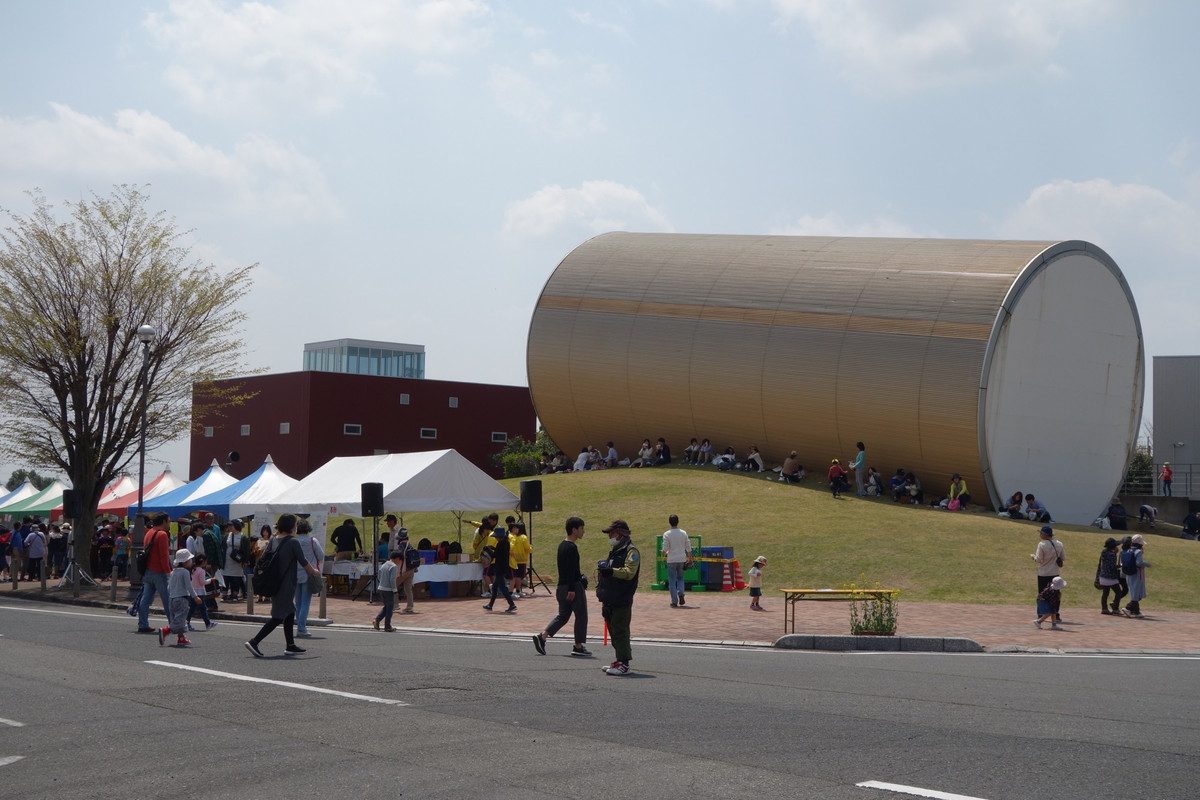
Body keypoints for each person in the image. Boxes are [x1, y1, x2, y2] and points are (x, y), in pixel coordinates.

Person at [244, 513, 322, 657]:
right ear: (292, 526)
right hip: (285, 583)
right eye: (295, 524)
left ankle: (290, 645)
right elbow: (303, 561)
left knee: (290, 612)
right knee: (278, 616)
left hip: (273, 581)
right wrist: (315, 572)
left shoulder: (274, 540)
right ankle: (254, 641)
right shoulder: (293, 542)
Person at [533, 516, 591, 657]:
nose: (583, 531)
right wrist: (573, 588)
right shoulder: (572, 548)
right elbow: (572, 570)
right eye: (581, 529)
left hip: (561, 586)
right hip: (572, 586)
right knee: (581, 615)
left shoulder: (561, 545)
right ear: (574, 530)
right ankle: (578, 646)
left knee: (563, 615)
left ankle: (543, 636)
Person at [597, 520, 640, 675]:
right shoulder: (616, 550)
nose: (610, 536)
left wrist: (611, 571)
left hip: (622, 597)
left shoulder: (631, 551)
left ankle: (624, 663)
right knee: (613, 630)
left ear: (621, 533)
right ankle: (619, 660)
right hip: (610, 597)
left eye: (612, 533)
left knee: (621, 630)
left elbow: (629, 572)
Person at [137, 513, 174, 634]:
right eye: (168, 521)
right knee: (167, 600)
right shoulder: (162, 534)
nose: (169, 524)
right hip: (159, 571)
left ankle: (142, 624)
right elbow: (164, 555)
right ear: (163, 521)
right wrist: (168, 572)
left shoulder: (149, 533)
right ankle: (173, 624)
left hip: (148, 571)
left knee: (145, 599)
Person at [159, 548, 200, 647]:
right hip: (182, 598)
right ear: (185, 562)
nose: (191, 562)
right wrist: (195, 596)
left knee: (178, 619)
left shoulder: (173, 572)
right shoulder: (185, 572)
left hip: (172, 598)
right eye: (190, 560)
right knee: (180, 619)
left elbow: (169, 587)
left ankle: (181, 638)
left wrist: (172, 594)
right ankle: (166, 630)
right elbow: (189, 586)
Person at [293, 518, 323, 635]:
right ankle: (301, 628)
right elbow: (320, 556)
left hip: (296, 573)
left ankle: (299, 626)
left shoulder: (294, 541)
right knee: (306, 602)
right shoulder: (312, 541)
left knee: (298, 602)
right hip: (309, 573)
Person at [1030, 525, 1064, 622]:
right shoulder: (1059, 544)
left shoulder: (1042, 544)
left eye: (1041, 533)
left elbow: (1039, 559)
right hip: (1055, 572)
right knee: (1055, 594)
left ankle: (1041, 614)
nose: (1040, 534)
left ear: (1044, 535)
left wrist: (1033, 557)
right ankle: (1056, 614)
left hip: (1044, 573)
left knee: (1042, 594)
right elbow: (1063, 557)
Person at [483, 525, 518, 612]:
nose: (496, 538)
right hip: (504, 567)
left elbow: (495, 555)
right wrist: (492, 548)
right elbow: (500, 552)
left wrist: (488, 550)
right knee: (495, 587)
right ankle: (490, 605)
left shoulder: (500, 544)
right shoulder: (506, 543)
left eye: (496, 537)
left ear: (500, 536)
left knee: (501, 587)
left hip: (499, 568)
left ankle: (512, 604)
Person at [661, 514, 691, 608]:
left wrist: (663, 552)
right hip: (682, 558)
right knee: (681, 578)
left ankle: (674, 601)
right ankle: (681, 593)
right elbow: (688, 546)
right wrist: (690, 558)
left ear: (669, 522)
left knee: (672, 580)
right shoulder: (683, 533)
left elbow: (665, 549)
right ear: (678, 521)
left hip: (671, 559)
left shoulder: (667, 534)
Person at [1121, 534, 1151, 618]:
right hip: (1137, 574)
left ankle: (1136, 611)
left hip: (1128, 573)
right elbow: (1139, 563)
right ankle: (1128, 608)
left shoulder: (1127, 550)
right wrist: (1147, 564)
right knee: (1137, 592)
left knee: (1133, 591)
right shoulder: (1138, 552)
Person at [186, 553, 218, 631]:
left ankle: (187, 623)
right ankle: (208, 623)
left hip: (193, 591)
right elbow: (202, 582)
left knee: (192, 608)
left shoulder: (193, 569)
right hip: (200, 592)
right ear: (203, 561)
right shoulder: (201, 571)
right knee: (203, 608)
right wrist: (211, 580)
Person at [1095, 537, 1127, 615]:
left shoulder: (1104, 552)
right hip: (1110, 577)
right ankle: (1115, 608)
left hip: (1102, 576)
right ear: (1113, 546)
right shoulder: (1112, 554)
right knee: (1118, 592)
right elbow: (1112, 566)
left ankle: (1104, 609)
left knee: (1105, 593)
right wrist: (1120, 566)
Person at [374, 551, 403, 632]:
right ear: (397, 559)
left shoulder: (384, 565)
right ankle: (387, 626)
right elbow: (392, 580)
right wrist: (395, 591)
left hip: (381, 588)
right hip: (388, 589)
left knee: (387, 607)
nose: (400, 562)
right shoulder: (393, 566)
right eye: (400, 560)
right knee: (390, 608)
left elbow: (379, 576)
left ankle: (377, 620)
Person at [392, 527, 418, 614]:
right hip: (411, 570)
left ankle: (395, 605)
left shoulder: (401, 546)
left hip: (404, 570)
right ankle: (410, 606)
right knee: (408, 589)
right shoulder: (410, 545)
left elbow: (398, 557)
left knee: (393, 586)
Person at [222, 520, 248, 602]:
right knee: (226, 577)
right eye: (229, 526)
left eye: (231, 526)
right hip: (227, 560)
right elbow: (223, 546)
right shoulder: (227, 536)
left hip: (237, 561)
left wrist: (245, 561)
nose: (229, 528)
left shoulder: (243, 537)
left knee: (235, 578)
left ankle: (234, 594)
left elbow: (246, 551)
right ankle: (224, 594)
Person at [510, 522, 532, 597]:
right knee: (519, 576)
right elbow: (527, 548)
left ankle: (512, 590)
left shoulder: (512, 537)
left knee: (514, 576)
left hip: (513, 559)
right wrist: (531, 548)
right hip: (522, 559)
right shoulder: (523, 537)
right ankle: (518, 590)